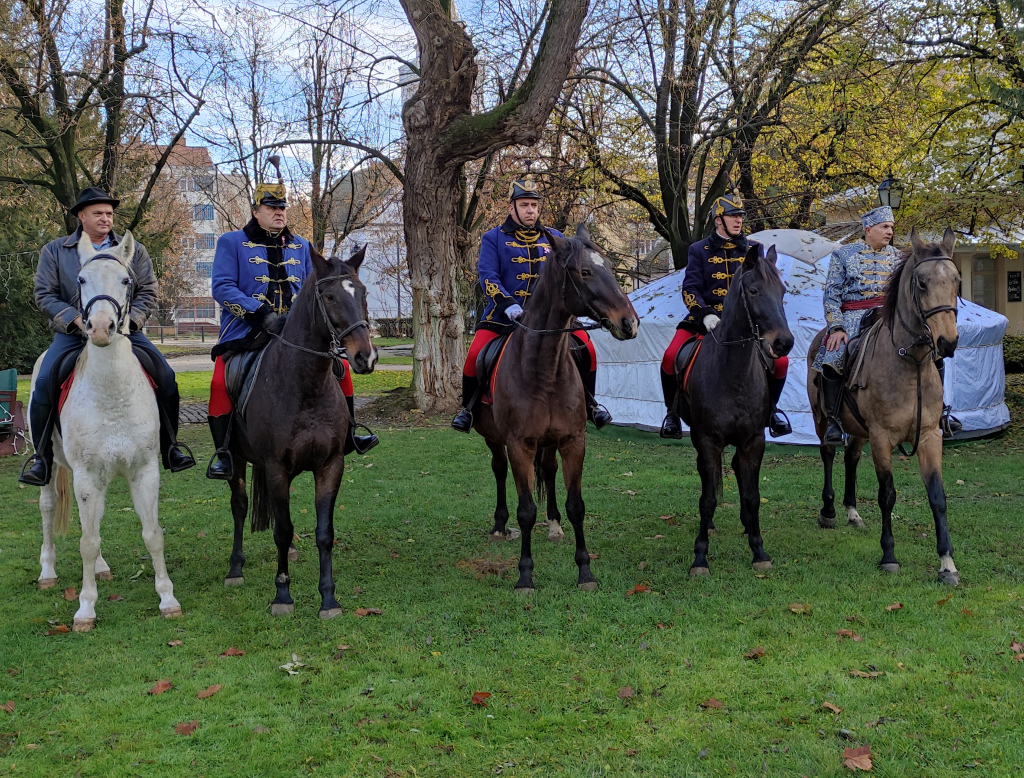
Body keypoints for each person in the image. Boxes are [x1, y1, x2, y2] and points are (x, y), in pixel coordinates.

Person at [205, 161, 377, 479]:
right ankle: (224, 453)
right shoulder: (232, 243)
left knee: (340, 370)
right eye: (271, 207)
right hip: (248, 332)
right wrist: (260, 315)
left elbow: (319, 290)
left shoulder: (301, 247)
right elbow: (222, 287)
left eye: (282, 207)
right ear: (256, 211)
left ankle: (351, 432)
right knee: (219, 382)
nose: (279, 212)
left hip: (298, 335)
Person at [19, 187, 196, 486]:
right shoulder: (55, 250)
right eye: (98, 213)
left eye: (109, 213)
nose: (105, 218)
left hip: (123, 332)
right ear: (81, 216)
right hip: (74, 334)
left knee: (165, 376)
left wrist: (132, 321)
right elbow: (44, 294)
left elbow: (148, 290)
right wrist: (75, 320)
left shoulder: (132, 249)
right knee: (44, 380)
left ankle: (170, 447)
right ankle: (42, 459)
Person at [450, 175, 611, 432]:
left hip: (553, 320)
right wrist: (508, 304)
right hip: (504, 317)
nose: (530, 210)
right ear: (512, 207)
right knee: (473, 357)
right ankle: (468, 409)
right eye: (524, 205)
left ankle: (591, 405)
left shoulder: (556, 237)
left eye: (534, 205)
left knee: (588, 351)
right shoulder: (494, 238)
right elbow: (488, 278)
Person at [812, 205, 961, 444]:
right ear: (868, 229)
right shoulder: (843, 254)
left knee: (933, 352)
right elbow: (831, 296)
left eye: (891, 227)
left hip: (889, 316)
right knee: (834, 356)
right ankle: (834, 422)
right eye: (884, 227)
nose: (889, 231)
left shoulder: (898, 256)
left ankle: (940, 412)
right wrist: (836, 327)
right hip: (853, 316)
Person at [659, 192, 791, 439]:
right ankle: (672, 413)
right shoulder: (698, 249)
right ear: (718, 220)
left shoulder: (755, 249)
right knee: (669, 357)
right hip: (705, 319)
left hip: (746, 323)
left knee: (781, 362)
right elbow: (690, 289)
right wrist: (704, 313)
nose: (738, 220)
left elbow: (762, 288)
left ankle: (771, 410)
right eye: (732, 216)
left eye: (740, 215)